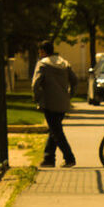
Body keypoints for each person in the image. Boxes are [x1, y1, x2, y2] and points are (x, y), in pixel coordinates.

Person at [31, 39, 76, 168]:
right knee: (54, 130)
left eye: (40, 52)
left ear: (43, 52)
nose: (39, 54)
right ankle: (48, 158)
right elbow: (75, 81)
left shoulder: (42, 65)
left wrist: (37, 98)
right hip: (63, 103)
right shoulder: (64, 64)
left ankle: (69, 157)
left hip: (49, 102)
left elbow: (35, 84)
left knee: (56, 131)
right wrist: (70, 95)